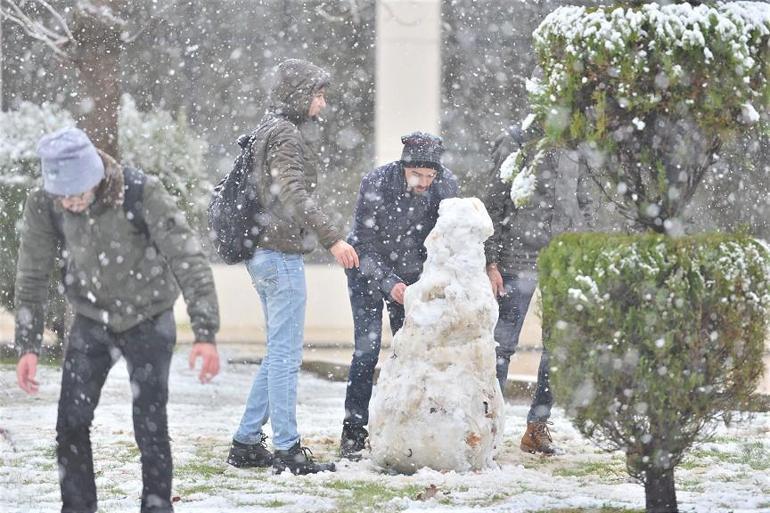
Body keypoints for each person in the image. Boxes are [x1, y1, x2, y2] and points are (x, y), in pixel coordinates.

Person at [14, 127, 221, 513]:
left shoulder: (141, 192)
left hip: (149, 316)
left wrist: (205, 333)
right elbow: (32, 272)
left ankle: (156, 507)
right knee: (70, 422)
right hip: (92, 318)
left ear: (94, 178)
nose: (70, 203)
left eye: (77, 194)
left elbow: (188, 259)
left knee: (150, 423)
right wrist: (28, 345)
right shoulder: (46, 202)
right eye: (63, 197)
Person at [226, 59, 358, 475]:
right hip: (279, 255)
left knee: (278, 352)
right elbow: (294, 194)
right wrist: (333, 238)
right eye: (318, 94)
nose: (323, 103)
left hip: (263, 252)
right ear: (300, 95)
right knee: (285, 355)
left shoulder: (268, 128)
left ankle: (247, 441)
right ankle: (287, 450)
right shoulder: (284, 133)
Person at [339, 131, 459, 459]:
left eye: (430, 176)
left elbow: (448, 238)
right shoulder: (376, 182)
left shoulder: (446, 185)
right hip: (366, 270)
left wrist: (429, 281)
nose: (424, 182)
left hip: (411, 278)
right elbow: (363, 242)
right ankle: (353, 430)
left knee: (410, 350)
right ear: (404, 167)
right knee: (367, 351)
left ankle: (405, 425)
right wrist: (387, 281)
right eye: (417, 174)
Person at [483, 121, 592, 455]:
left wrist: (583, 244)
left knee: (557, 348)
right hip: (516, 259)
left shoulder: (577, 143)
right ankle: (488, 428)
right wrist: (491, 261)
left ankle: (537, 427)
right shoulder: (516, 141)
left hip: (562, 258)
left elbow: (585, 201)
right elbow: (494, 204)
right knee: (501, 347)